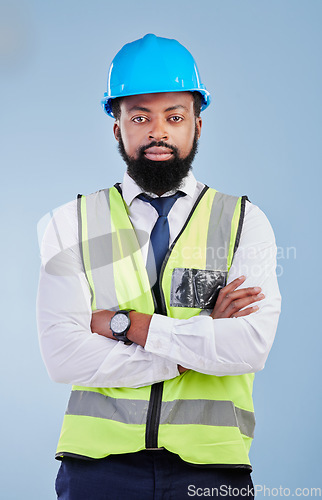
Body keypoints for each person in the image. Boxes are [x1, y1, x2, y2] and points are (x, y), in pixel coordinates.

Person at [37, 34, 281, 500]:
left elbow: (250, 345)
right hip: (96, 470)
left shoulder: (244, 221)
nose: (158, 132)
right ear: (117, 128)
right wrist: (201, 343)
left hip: (212, 468)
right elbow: (62, 355)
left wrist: (127, 324)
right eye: (140, 117)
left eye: (174, 117)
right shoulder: (71, 222)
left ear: (197, 126)